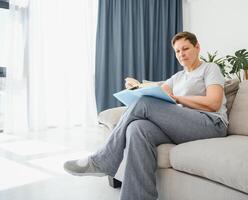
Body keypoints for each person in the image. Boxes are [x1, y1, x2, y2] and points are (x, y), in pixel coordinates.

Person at [64, 31, 228, 200]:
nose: (181, 54)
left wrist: (178, 98)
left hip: (211, 124)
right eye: (177, 51)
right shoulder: (177, 77)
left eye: (185, 48)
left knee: (145, 104)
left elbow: (213, 103)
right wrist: (138, 87)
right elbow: (158, 93)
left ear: (197, 47)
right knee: (137, 128)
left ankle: (102, 160)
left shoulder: (209, 68)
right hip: (185, 125)